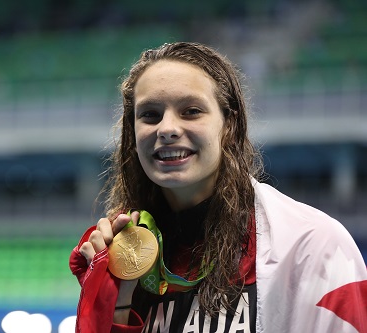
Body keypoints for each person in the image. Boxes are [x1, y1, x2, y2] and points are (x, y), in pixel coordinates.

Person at [69, 42, 367, 333]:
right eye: (150, 115)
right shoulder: (124, 256)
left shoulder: (311, 246)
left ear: (229, 125)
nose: (167, 128)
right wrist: (117, 306)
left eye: (191, 111)